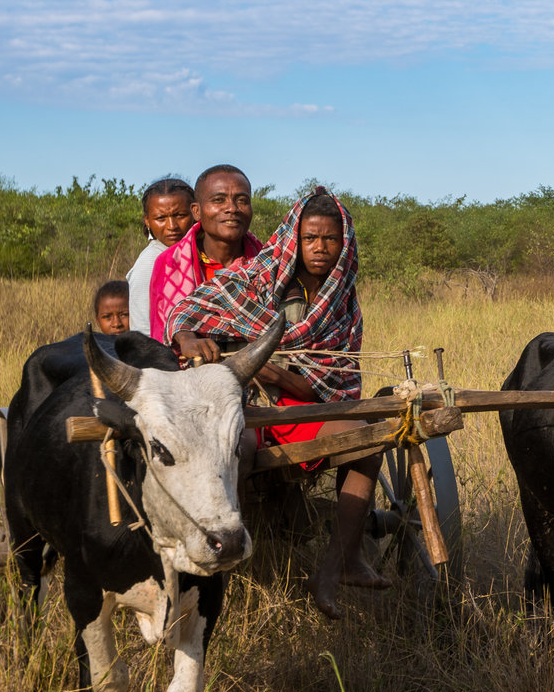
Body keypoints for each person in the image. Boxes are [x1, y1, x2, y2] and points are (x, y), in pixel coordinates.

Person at [166, 187, 389, 619]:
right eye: (310, 238)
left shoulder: (343, 304)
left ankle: (337, 567)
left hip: (301, 408)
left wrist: (276, 373)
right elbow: (188, 311)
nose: (320, 248)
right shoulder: (254, 279)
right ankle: (220, 579)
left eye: (330, 239)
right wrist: (190, 337)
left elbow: (329, 387)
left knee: (368, 442)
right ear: (293, 239)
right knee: (238, 450)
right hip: (241, 403)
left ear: (344, 246)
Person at [151, 164, 261, 356]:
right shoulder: (169, 264)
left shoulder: (266, 263)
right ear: (196, 211)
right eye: (219, 200)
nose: (232, 209)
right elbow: (159, 342)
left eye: (242, 200)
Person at [124, 177, 194, 338]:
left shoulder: (193, 253)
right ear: (147, 221)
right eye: (161, 218)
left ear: (195, 212)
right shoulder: (150, 262)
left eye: (180, 215)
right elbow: (143, 331)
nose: (172, 226)